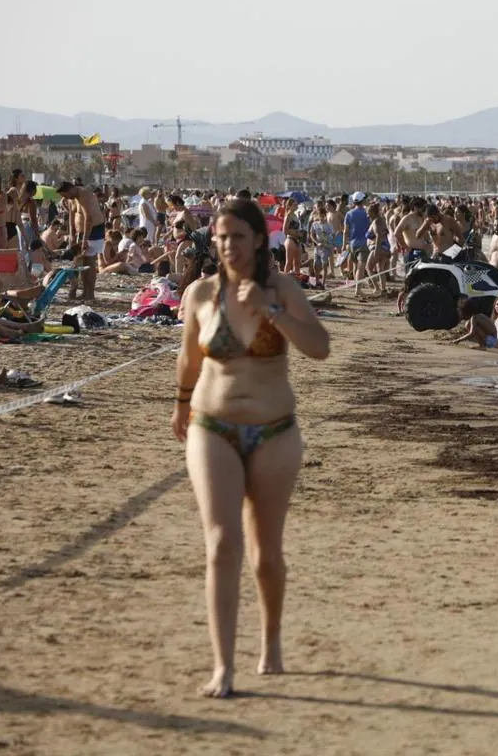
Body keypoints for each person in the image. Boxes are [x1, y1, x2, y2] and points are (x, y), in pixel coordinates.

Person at [172, 199, 330, 698]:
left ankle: (272, 642)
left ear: (259, 239)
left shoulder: (283, 289)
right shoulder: (199, 293)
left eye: (238, 236)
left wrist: (275, 312)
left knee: (266, 555)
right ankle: (223, 667)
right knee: (222, 545)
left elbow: (320, 347)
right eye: (221, 237)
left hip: (275, 431)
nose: (228, 246)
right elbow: (188, 358)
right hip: (211, 427)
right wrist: (180, 405)